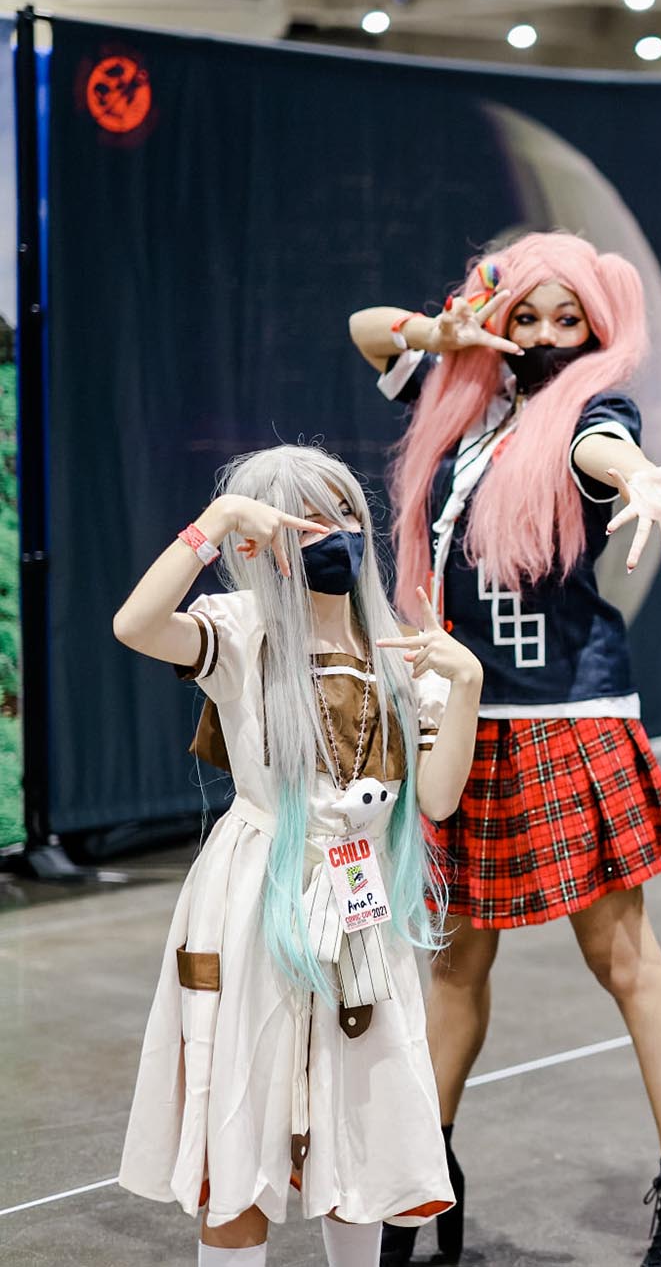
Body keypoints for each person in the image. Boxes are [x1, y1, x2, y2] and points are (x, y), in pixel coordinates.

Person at [347, 232, 661, 1266]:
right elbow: (366, 329)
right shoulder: (461, 406)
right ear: (500, 317)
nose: (550, 337)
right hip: (462, 712)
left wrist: (641, 476)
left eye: (572, 320)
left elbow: (599, 448)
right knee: (456, 960)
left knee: (621, 955)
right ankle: (424, 1179)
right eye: (531, 316)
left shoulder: (592, 411)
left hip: (566, 711)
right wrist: (449, 328)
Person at [115, 445, 481, 1267]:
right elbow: (135, 625)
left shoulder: (393, 642)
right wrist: (209, 529)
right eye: (307, 519)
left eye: (347, 513)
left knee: (360, 1133)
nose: (337, 535)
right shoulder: (242, 633)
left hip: (364, 906)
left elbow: (439, 799)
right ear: (259, 539)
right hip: (258, 896)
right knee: (240, 1129)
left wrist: (467, 687)